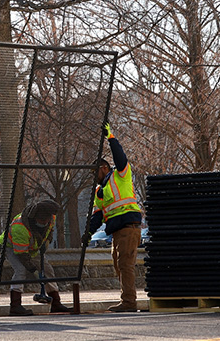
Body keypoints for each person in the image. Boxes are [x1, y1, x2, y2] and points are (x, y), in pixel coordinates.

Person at [85, 123, 142, 312]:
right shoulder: (99, 191)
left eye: (94, 172)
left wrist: (111, 138)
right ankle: (127, 299)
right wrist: (88, 233)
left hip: (128, 227)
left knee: (125, 265)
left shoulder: (120, 175)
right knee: (120, 266)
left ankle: (129, 302)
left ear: (104, 167)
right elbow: (98, 216)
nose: (93, 176)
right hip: (117, 232)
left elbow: (120, 156)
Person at [0, 199, 71, 315]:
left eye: (46, 220)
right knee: (21, 270)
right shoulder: (20, 227)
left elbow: (50, 230)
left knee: (47, 270)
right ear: (34, 218)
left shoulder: (51, 217)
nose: (44, 223)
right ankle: (15, 306)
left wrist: (47, 241)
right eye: (41, 221)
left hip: (32, 247)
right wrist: (34, 271)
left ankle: (56, 303)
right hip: (10, 246)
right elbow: (22, 255)